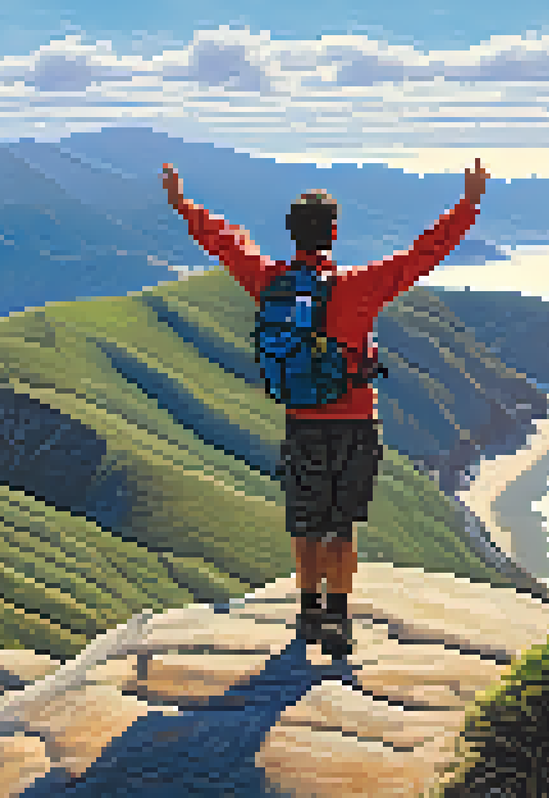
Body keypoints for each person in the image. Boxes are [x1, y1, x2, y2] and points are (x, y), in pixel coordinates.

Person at [162, 157, 490, 654]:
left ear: (292, 233)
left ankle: (309, 611)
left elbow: (226, 243)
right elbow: (424, 253)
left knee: (306, 523)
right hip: (354, 424)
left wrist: (183, 204)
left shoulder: (269, 282)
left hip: (301, 422)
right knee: (341, 526)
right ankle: (337, 619)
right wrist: (468, 205)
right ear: (333, 233)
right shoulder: (360, 286)